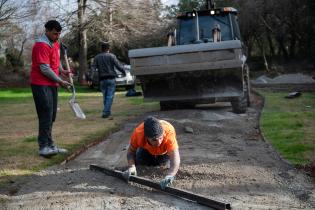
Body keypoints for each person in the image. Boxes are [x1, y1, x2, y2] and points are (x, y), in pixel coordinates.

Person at [30, 20, 71, 157]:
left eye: (59, 33)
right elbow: (44, 68)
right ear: (47, 31)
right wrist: (60, 80)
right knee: (45, 114)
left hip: (51, 84)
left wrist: (62, 70)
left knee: (51, 115)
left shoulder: (55, 43)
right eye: (55, 33)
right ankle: (43, 147)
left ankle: (50, 145)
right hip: (40, 84)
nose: (57, 36)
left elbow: (56, 60)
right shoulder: (41, 45)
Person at [124, 116, 180, 190]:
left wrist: (170, 175)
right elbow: (131, 152)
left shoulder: (169, 132)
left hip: (163, 153)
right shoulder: (138, 133)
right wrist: (131, 167)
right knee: (141, 165)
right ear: (147, 137)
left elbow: (175, 157)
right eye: (154, 140)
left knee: (160, 166)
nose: (159, 142)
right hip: (146, 150)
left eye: (161, 138)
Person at [90, 42, 126, 118]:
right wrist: (124, 71)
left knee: (105, 96)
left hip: (102, 79)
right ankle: (106, 112)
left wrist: (91, 77)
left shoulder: (97, 57)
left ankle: (107, 111)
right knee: (109, 96)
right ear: (108, 49)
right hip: (111, 78)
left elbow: (93, 68)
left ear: (101, 49)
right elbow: (118, 65)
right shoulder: (112, 56)